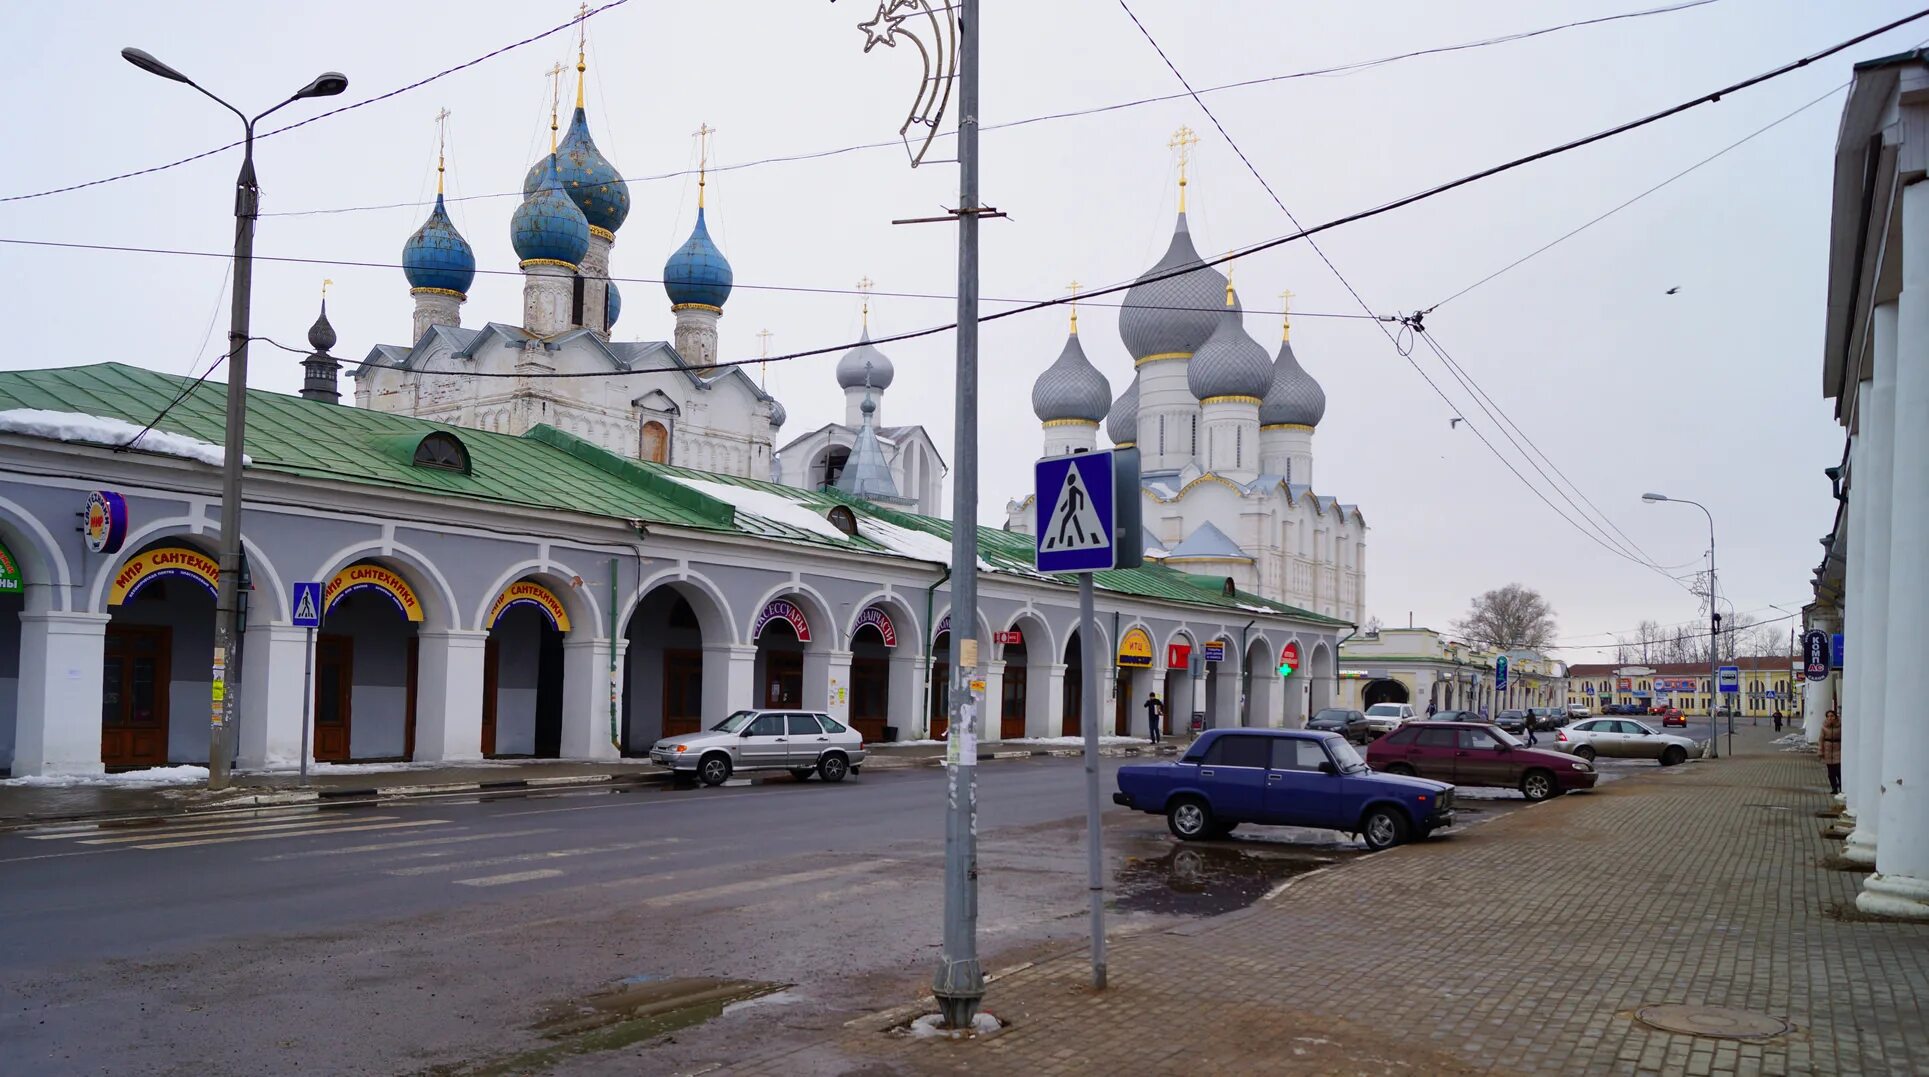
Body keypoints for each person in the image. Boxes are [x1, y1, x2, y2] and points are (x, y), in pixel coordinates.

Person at [1820, 708, 1842, 795]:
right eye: (1828, 716)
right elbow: (1821, 739)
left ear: (1835, 717)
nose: (1830, 718)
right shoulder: (1824, 727)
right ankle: (1834, 788)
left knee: (1838, 772)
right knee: (1830, 773)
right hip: (1828, 750)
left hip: (1838, 750)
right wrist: (1820, 751)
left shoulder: (1840, 726)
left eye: (1832, 716)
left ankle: (1842, 787)